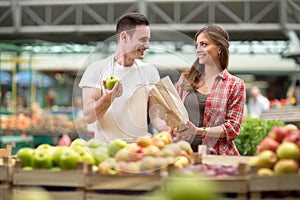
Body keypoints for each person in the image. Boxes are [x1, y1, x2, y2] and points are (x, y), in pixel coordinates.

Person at [79, 13, 169, 142]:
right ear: (124, 37)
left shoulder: (150, 71)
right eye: (143, 39)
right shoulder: (96, 69)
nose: (148, 45)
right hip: (105, 152)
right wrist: (108, 98)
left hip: (139, 150)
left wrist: (167, 129)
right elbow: (89, 116)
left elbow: (155, 117)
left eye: (148, 40)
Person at [175, 24, 246, 155]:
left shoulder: (235, 84)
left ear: (219, 48)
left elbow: (233, 128)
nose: (198, 49)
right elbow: (175, 112)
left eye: (204, 44)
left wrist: (199, 131)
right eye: (197, 45)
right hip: (184, 153)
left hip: (218, 155)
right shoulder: (185, 79)